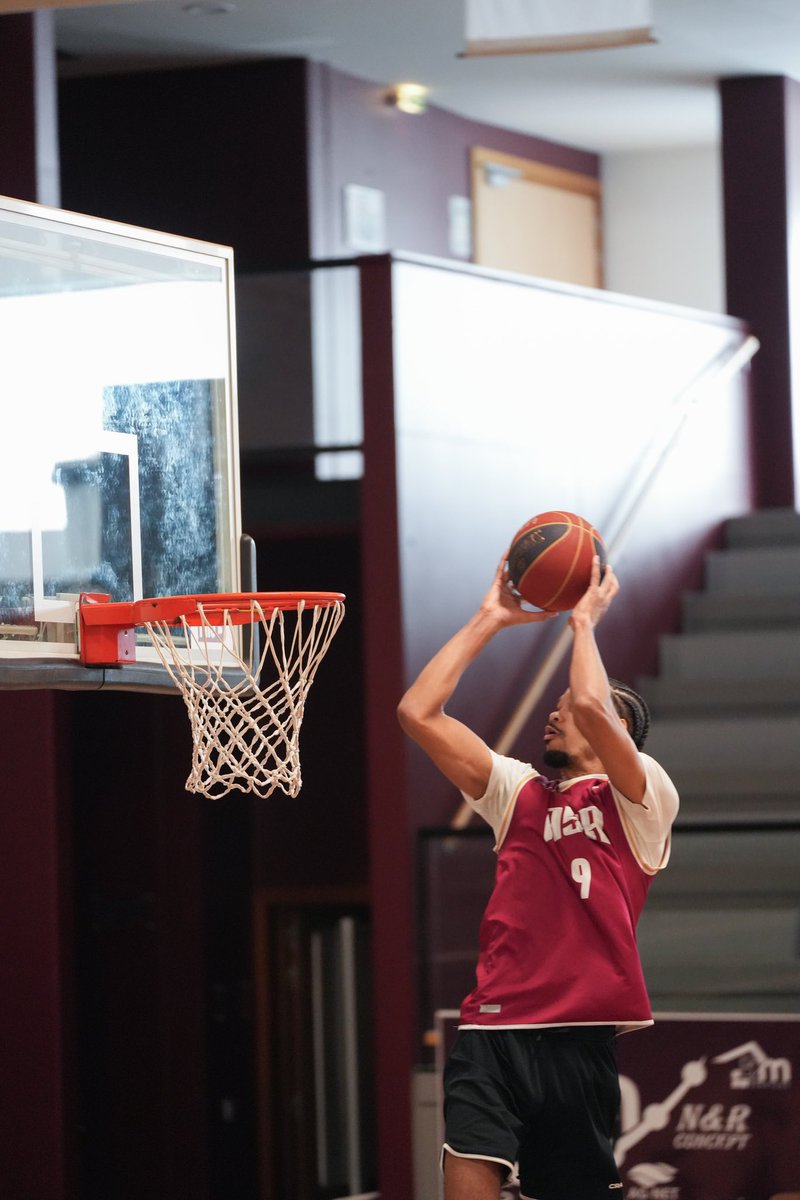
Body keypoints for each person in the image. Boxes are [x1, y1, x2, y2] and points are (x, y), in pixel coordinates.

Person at [397, 553, 679, 1200]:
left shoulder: (644, 798)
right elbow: (418, 712)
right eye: (553, 709)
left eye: (569, 713)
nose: (555, 715)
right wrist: (489, 618)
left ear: (622, 735)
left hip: (578, 1036)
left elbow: (589, 698)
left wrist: (585, 624)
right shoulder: (518, 793)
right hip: (493, 1026)